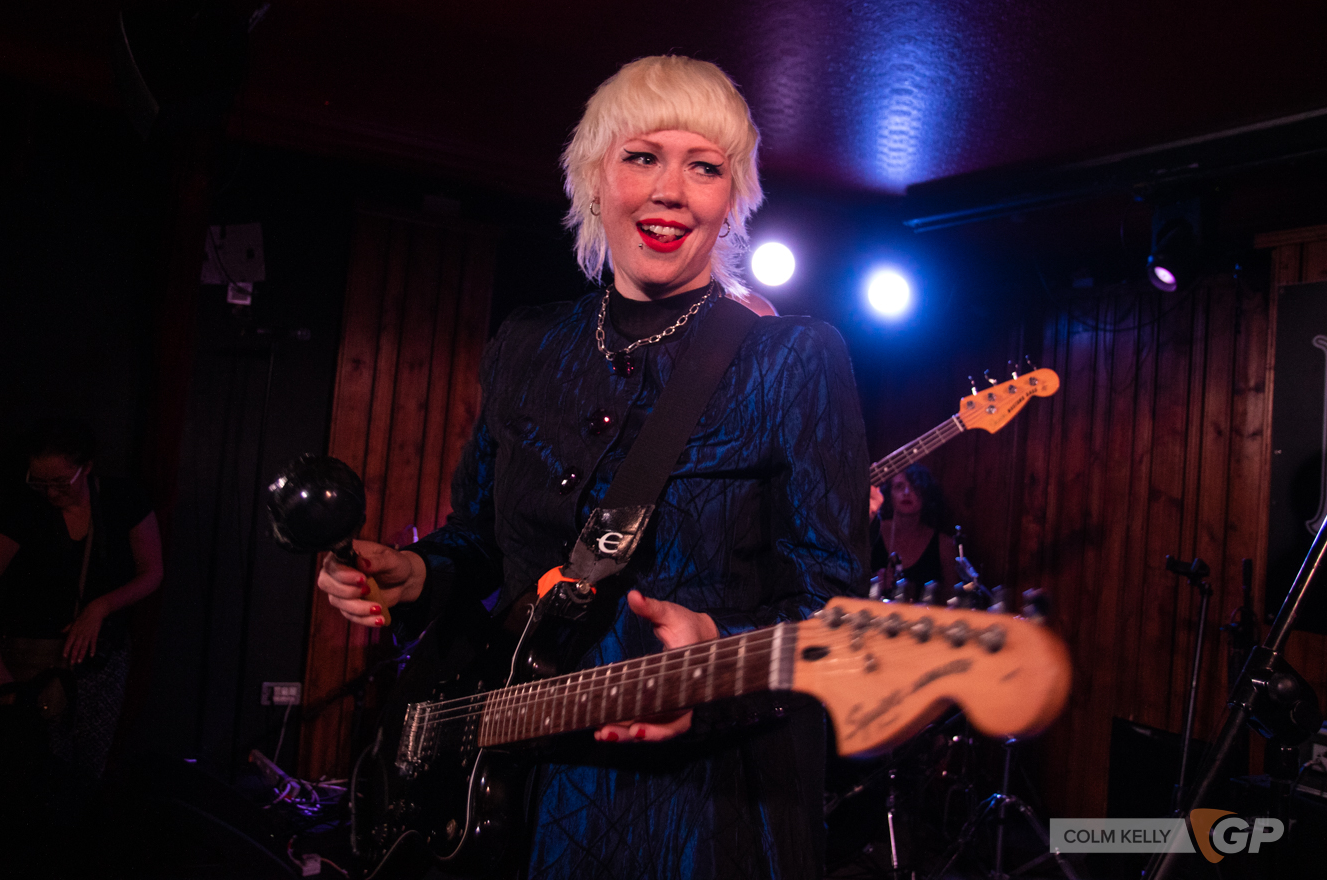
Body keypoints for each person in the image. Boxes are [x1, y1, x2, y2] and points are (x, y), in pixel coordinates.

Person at [318, 56, 870, 879]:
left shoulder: (791, 359)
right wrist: (415, 573)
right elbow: (480, 542)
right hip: (499, 792)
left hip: (697, 810)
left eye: (705, 167)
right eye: (642, 156)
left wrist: (719, 649)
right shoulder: (528, 344)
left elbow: (834, 608)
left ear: (732, 200)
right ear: (592, 178)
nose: (670, 191)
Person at [0, 417, 163, 778]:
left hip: (101, 662)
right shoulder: (24, 509)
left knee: (85, 772)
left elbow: (152, 572)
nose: (50, 493)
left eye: (60, 482)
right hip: (32, 660)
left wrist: (99, 608)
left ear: (87, 467)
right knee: (32, 767)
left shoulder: (122, 500)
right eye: (39, 482)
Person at [870, 463, 960, 593]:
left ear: (926, 494)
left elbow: (952, 598)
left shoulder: (944, 545)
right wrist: (873, 582)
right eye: (899, 487)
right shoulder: (872, 530)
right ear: (889, 493)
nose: (906, 493)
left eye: (915, 487)